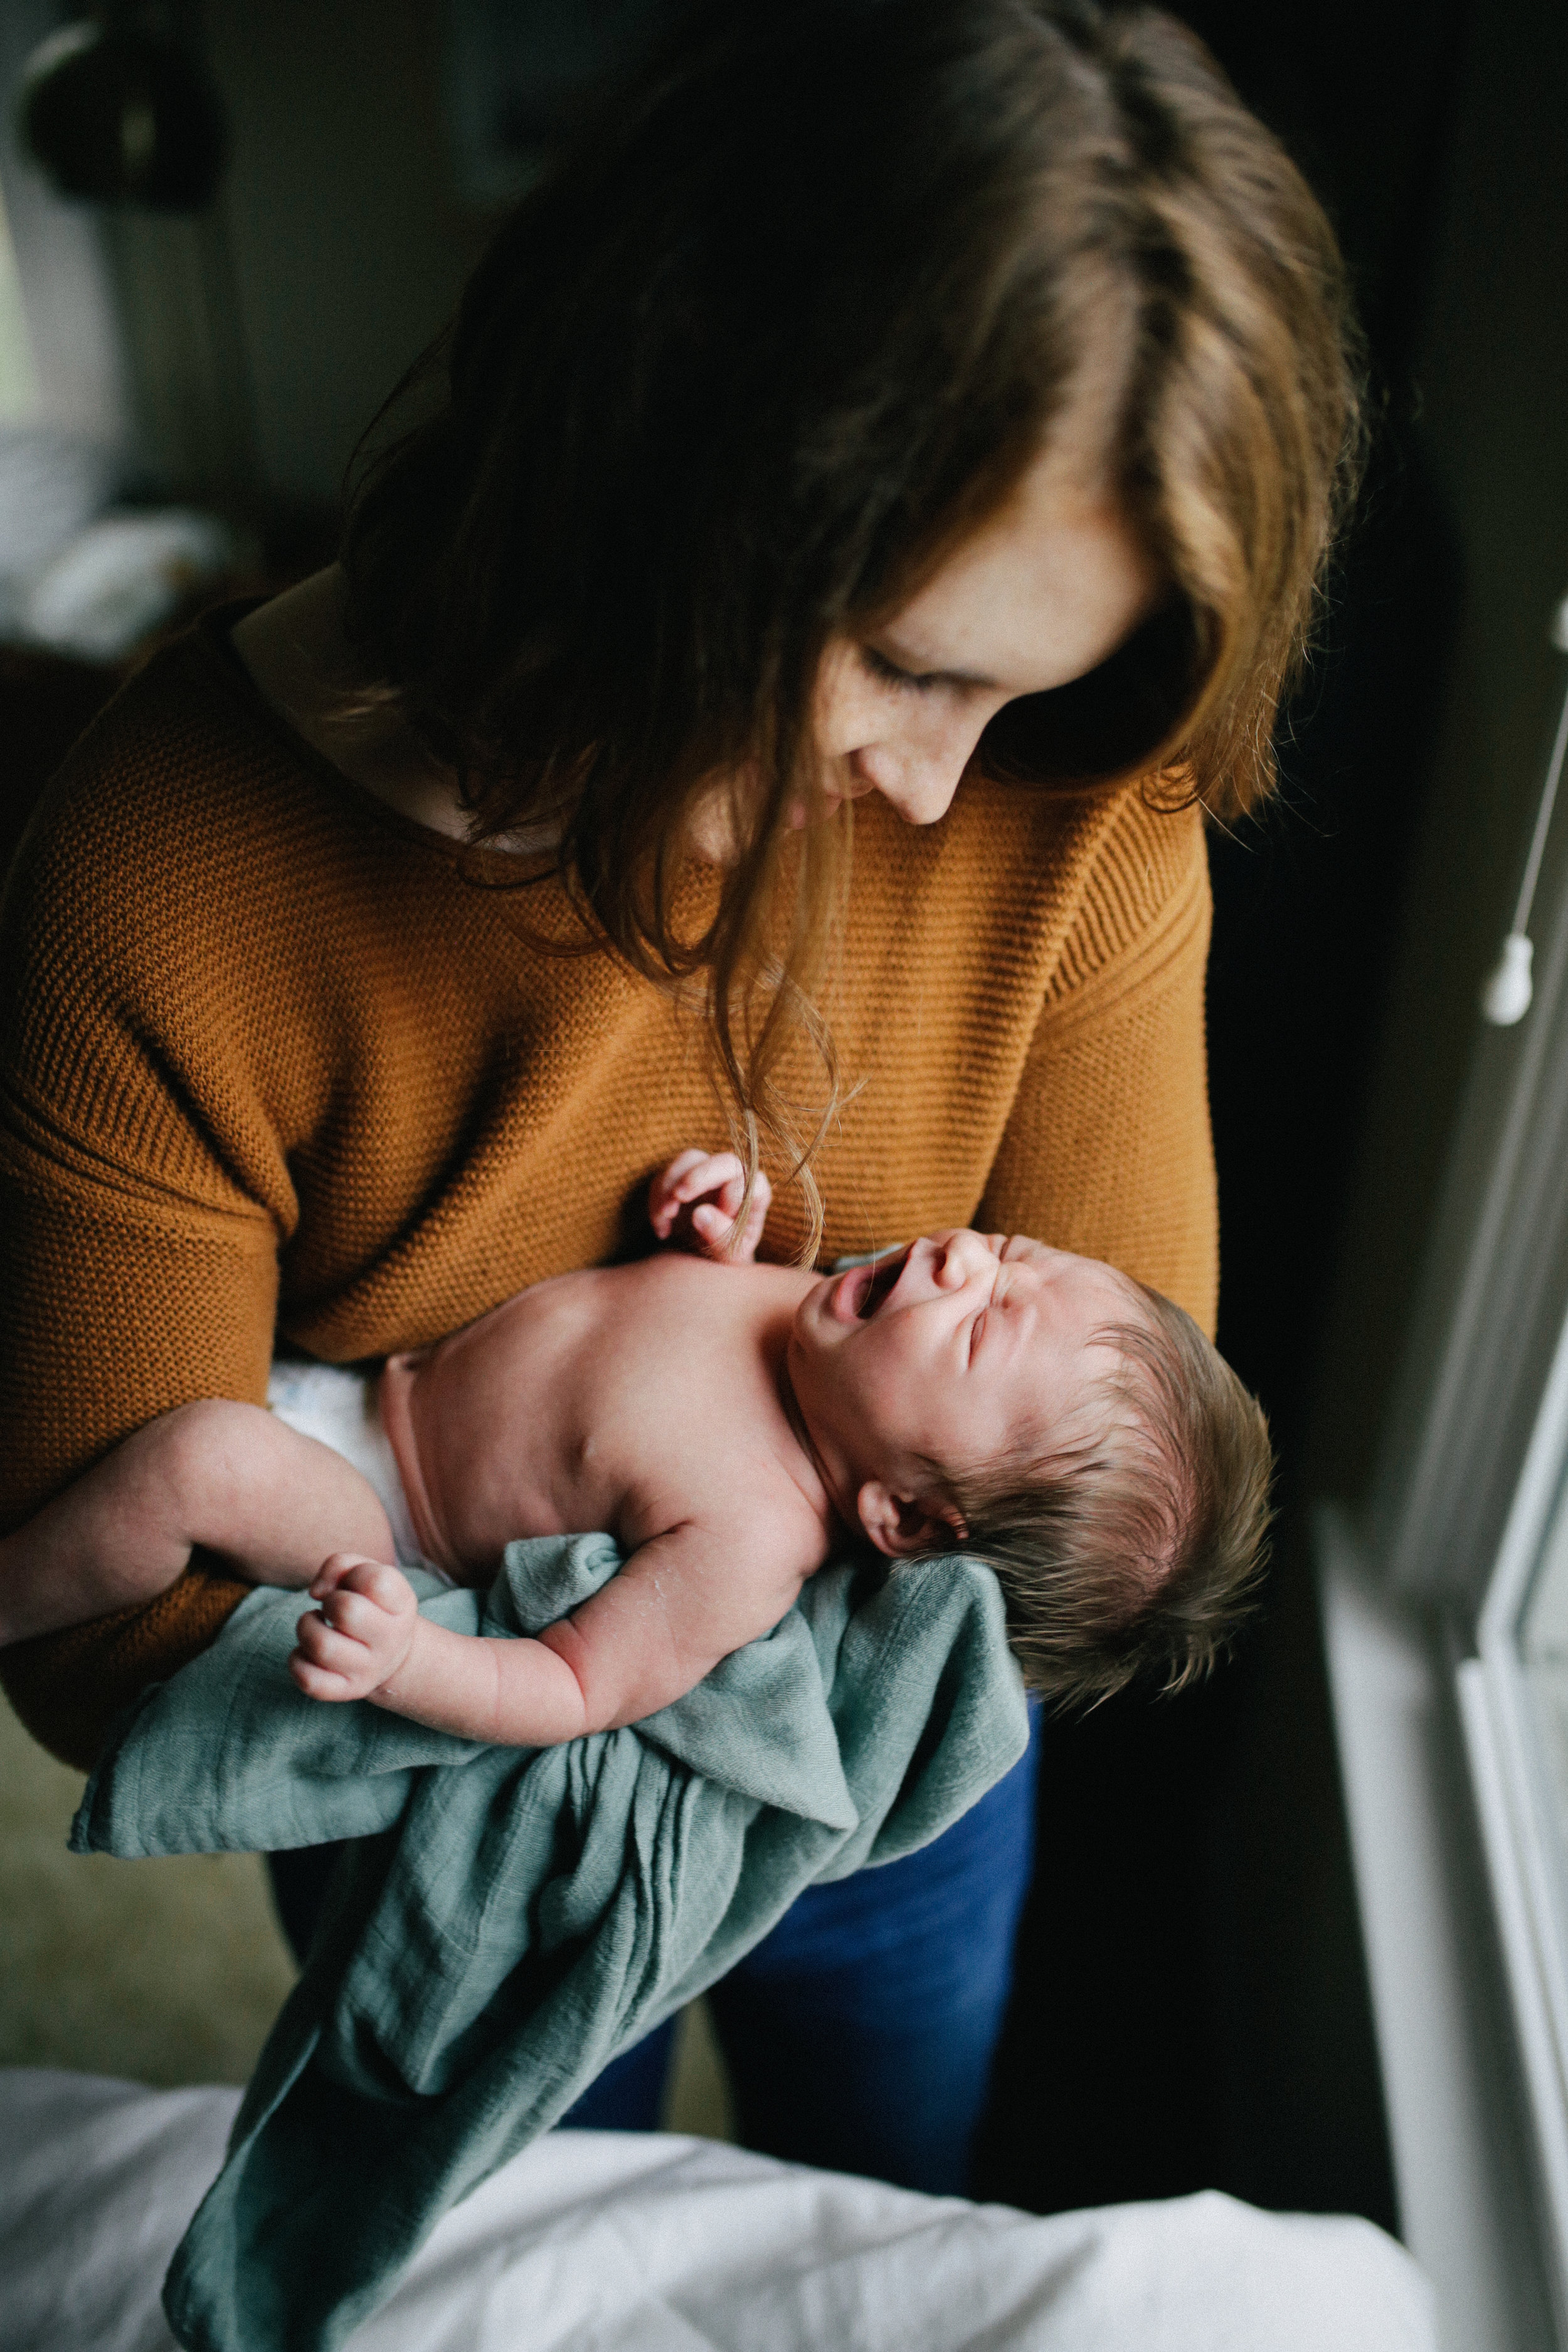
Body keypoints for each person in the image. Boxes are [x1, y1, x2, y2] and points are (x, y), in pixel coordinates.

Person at [0, 0, 1360, 2193]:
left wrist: (682, 1551)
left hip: (891, 1797)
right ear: (660, 495)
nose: (943, 785)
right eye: (913, 666)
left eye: (1022, 687)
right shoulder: (171, 874)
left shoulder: (1069, 788)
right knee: (512, 2212)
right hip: (440, 1812)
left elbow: (1076, 1455)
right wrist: (525, 1640)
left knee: (877, 2189)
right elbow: (115, 1641)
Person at [0, 1150, 1273, 1729]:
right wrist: (713, 1237)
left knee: (193, 1464)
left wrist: (406, 1662)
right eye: (1009, 1251)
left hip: (382, 1508)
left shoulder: (746, 1538)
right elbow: (657, 1343)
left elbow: (571, 1687)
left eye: (981, 1324)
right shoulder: (816, 1326)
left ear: (905, 1519)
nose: (958, 1254)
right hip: (369, 1366)